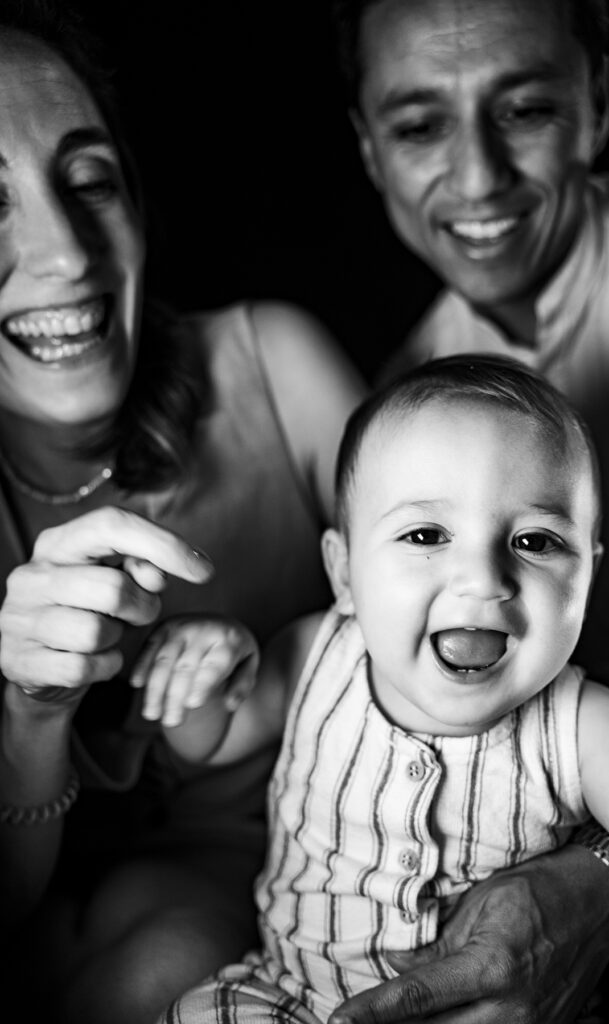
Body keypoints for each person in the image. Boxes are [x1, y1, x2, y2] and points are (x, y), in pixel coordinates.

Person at [0, 3, 366, 1023]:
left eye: (87, 182)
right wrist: (30, 712)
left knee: (155, 971)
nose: (66, 255)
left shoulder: (274, 367)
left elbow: (466, 601)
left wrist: (269, 663)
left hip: (300, 881)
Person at [133, 355, 609, 1024]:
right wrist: (196, 679)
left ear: (587, 579)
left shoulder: (587, 727)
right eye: (426, 534)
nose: (482, 579)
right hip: (291, 994)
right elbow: (211, 740)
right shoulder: (315, 656)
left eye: (535, 541)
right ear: (343, 573)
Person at [330, 0, 609, 1020]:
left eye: (523, 109)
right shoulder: (403, 413)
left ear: (596, 102)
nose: (478, 177)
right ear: (369, 149)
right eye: (418, 125)